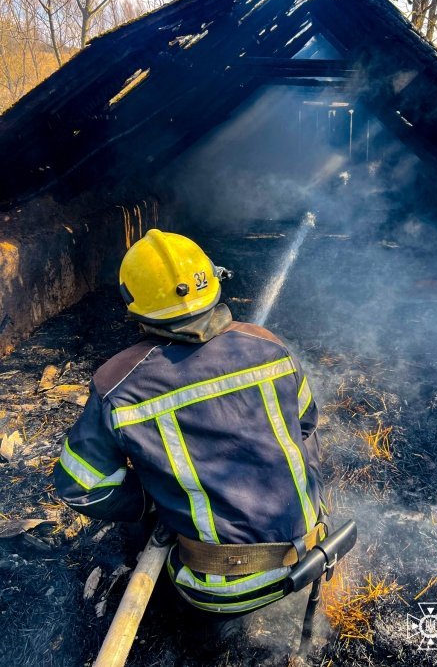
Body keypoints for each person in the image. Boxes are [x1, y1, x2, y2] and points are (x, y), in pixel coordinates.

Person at [54, 229, 324, 648]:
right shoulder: (270, 347)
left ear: (134, 306)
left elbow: (81, 487)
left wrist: (152, 500)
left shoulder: (118, 384)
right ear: (213, 282)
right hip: (313, 554)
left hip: (219, 589)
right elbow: (305, 426)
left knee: (133, 530)